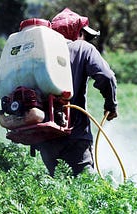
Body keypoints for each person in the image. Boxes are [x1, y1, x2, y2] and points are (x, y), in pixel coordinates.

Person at [37, 8, 118, 177]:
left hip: (45, 138)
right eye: (84, 34)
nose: (85, 39)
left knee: (59, 187)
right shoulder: (82, 48)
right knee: (87, 188)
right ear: (77, 31)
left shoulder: (40, 52)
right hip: (75, 134)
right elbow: (107, 77)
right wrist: (111, 106)